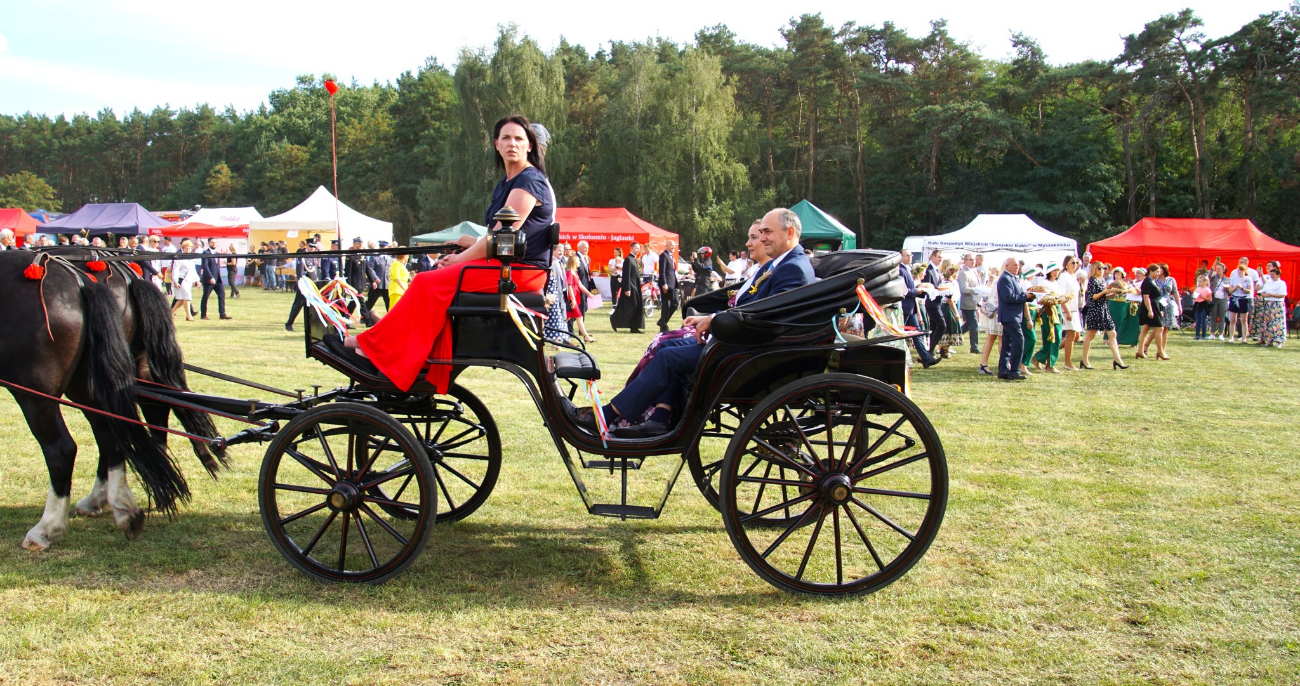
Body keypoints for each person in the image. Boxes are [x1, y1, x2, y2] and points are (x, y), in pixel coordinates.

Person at [346, 115, 554, 393]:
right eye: (506, 137)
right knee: (434, 278)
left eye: (519, 138)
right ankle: (424, 362)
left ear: (530, 146)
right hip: (509, 267)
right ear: (496, 143)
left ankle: (375, 346)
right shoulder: (509, 181)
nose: (512, 143)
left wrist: (460, 258)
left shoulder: (529, 181)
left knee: (424, 282)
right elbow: (498, 234)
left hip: (521, 274)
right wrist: (470, 244)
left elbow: (502, 235)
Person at [571, 208, 814, 437]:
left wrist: (715, 320)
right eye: (761, 233)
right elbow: (754, 308)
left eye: (767, 232)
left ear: (790, 232)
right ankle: (660, 417)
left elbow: (764, 316)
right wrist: (712, 318)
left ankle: (608, 415)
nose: (762, 239)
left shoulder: (792, 268)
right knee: (665, 348)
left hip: (748, 351)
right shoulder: (782, 264)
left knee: (667, 357)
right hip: (742, 343)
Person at [1079, 262, 1129, 370]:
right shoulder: (1092, 281)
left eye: (1103, 268)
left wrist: (1113, 293)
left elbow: (1104, 297)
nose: (1102, 270)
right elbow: (1093, 297)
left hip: (1103, 309)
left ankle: (1118, 360)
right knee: (1091, 335)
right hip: (1095, 309)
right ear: (1094, 269)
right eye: (1099, 268)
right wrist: (1104, 292)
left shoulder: (1102, 280)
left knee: (1112, 333)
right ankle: (1084, 359)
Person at [898, 250, 940, 369]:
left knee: (918, 333)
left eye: (911, 255)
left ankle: (926, 359)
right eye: (907, 255)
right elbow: (904, 290)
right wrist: (918, 291)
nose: (910, 257)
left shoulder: (907, 269)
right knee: (900, 335)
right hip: (906, 307)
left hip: (911, 308)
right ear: (901, 257)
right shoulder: (901, 270)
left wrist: (920, 290)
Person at [996, 258, 1035, 380]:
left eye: (1017, 265)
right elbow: (1008, 297)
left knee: (1007, 344)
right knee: (1019, 341)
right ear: (1006, 266)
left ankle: (1003, 370)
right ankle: (1014, 370)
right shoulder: (1005, 279)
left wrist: (1029, 297)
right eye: (1014, 265)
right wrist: (1025, 296)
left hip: (1013, 315)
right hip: (1009, 315)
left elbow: (1017, 296)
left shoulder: (1012, 278)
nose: (1017, 267)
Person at [1031, 262, 1065, 373]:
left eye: (1058, 270)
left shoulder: (1057, 283)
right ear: (1049, 272)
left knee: (1057, 337)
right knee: (1051, 337)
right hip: (1048, 311)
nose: (1057, 272)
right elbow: (1041, 299)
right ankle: (1049, 364)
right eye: (1054, 270)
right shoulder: (1045, 283)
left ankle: (1040, 358)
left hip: (1057, 310)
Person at [609, 242, 645, 333]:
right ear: (631, 248)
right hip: (631, 287)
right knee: (631, 306)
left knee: (636, 306)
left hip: (636, 286)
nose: (638, 250)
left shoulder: (635, 259)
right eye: (636, 248)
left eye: (639, 248)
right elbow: (626, 275)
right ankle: (614, 319)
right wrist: (627, 288)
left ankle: (634, 327)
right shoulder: (628, 259)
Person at [1057, 256, 1083, 370]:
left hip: (1074, 309)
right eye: (1073, 262)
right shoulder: (1063, 276)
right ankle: (1068, 363)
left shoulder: (1073, 276)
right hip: (1068, 310)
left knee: (1076, 336)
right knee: (1071, 336)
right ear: (1066, 263)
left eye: (1077, 262)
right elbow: (1061, 295)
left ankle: (1046, 354)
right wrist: (1067, 311)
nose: (1075, 264)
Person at [1137, 263, 1167, 360]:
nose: (1159, 273)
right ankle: (1160, 351)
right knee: (1159, 329)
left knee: (1145, 329)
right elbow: (1146, 297)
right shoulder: (1147, 281)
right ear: (1151, 271)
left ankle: (1140, 351)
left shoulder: (1152, 281)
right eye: (1157, 271)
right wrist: (1150, 311)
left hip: (1154, 306)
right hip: (1149, 307)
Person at [976, 266, 1001, 375]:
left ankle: (985, 364)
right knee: (998, 338)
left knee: (993, 338)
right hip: (997, 312)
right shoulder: (1000, 280)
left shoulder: (998, 280)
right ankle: (989, 364)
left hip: (995, 311)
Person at [566, 254, 597, 343]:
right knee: (579, 317)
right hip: (572, 299)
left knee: (566, 318)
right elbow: (569, 287)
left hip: (576, 297)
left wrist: (589, 294)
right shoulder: (569, 273)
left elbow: (580, 285)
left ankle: (558, 335)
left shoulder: (575, 273)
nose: (579, 262)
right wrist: (573, 299)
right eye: (578, 261)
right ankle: (586, 336)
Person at [199, 238, 231, 320]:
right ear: (208, 243)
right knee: (205, 297)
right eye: (212, 242)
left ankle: (222, 314)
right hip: (209, 280)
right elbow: (205, 266)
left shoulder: (216, 253)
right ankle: (203, 315)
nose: (214, 244)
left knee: (222, 295)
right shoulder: (205, 253)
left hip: (218, 279)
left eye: (215, 242)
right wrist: (210, 277)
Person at [1226, 259, 1257, 343]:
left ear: (1244, 271)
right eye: (1238, 270)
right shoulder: (1233, 278)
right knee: (1232, 319)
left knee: (1244, 320)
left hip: (1244, 299)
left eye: (1241, 270)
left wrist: (1242, 288)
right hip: (1234, 298)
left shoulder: (1248, 279)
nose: (1239, 272)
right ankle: (1231, 337)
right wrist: (1236, 287)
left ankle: (1244, 337)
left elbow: (1249, 290)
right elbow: (1230, 290)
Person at [1257, 265, 1288, 347]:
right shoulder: (1268, 282)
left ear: (1278, 275)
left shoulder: (1281, 283)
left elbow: (1282, 295)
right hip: (1268, 303)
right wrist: (1265, 295)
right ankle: (1269, 340)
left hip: (1276, 304)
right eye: (1270, 275)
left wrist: (1271, 295)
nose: (1271, 276)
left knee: (1277, 322)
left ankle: (1278, 340)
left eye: (1273, 274)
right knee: (1268, 322)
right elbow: (1262, 292)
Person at [169, 240, 200, 321]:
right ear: (183, 248)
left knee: (181, 299)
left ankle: (171, 312)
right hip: (181, 279)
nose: (188, 250)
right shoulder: (179, 257)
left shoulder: (191, 258)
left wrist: (197, 280)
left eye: (189, 248)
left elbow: (193, 270)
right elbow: (175, 269)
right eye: (186, 248)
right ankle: (189, 316)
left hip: (188, 280)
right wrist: (175, 281)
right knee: (187, 297)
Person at [957, 254, 982, 354]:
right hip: (967, 303)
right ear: (965, 261)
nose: (973, 261)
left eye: (974, 260)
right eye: (971, 260)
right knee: (974, 324)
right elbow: (963, 289)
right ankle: (974, 347)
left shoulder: (973, 271)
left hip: (973, 302)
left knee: (968, 325)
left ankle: (953, 336)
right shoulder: (963, 273)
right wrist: (976, 290)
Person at [656, 240, 679, 332]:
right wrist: (664, 283)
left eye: (674, 246)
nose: (673, 247)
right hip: (667, 285)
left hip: (673, 284)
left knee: (675, 304)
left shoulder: (671, 256)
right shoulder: (663, 255)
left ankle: (662, 321)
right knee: (667, 305)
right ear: (667, 246)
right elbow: (662, 271)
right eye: (672, 246)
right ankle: (663, 326)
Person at [1209, 262, 1229, 340]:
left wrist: (1227, 289)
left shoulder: (1227, 279)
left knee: (1222, 317)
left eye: (1219, 269)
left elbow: (1230, 292)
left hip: (1223, 299)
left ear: (1224, 270)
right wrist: (1212, 267)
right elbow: (1208, 276)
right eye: (1217, 269)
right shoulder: (1213, 277)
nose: (1218, 270)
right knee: (1213, 316)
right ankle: (1212, 333)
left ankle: (1221, 333)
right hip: (1214, 299)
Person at [1192, 274, 1213, 340]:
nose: (1199, 282)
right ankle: (1197, 335)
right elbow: (1194, 297)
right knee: (1197, 321)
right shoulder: (1197, 289)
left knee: (1203, 321)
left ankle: (1203, 335)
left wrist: (1202, 297)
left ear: (1205, 282)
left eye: (1201, 281)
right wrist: (1194, 296)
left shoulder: (1207, 290)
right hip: (1197, 304)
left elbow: (1210, 299)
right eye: (1199, 281)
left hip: (1203, 304)